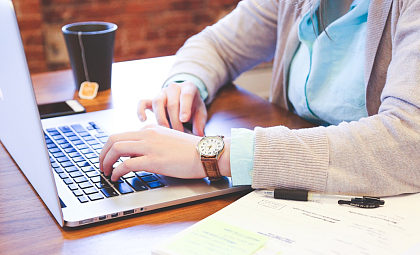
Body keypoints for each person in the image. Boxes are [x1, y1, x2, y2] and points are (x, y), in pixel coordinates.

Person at [99, 0, 420, 197]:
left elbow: (408, 144)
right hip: (299, 190)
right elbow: (217, 44)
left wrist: (211, 154)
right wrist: (185, 84)